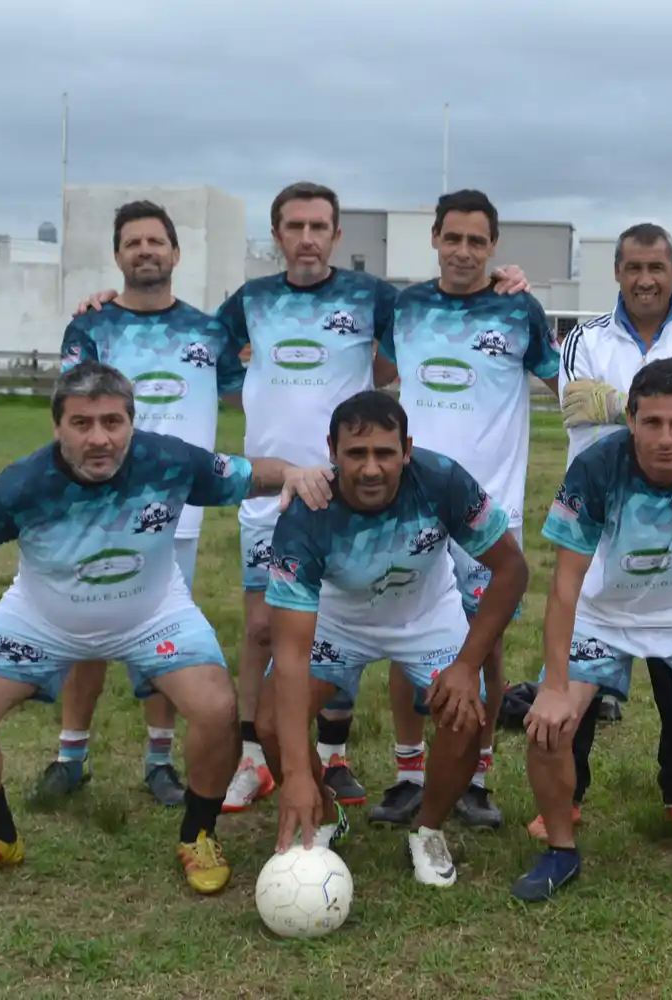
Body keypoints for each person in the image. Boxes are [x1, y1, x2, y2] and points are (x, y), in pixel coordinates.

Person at [73, 181, 531, 816]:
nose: (308, 238)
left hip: (365, 487)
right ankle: (260, 762)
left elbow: (429, 334)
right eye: (295, 226)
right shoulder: (251, 302)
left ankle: (366, 764)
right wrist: (106, 304)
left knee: (415, 617)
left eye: (320, 226)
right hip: (277, 490)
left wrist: (501, 277)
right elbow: (190, 340)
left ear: (337, 235)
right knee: (269, 627)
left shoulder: (374, 298)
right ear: (278, 235)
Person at [0, 361, 331, 894]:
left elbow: (251, 473)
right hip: (41, 620)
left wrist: (296, 473)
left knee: (217, 709)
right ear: (57, 427)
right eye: (82, 423)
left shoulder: (167, 461)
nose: (100, 438)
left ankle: (198, 835)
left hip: (152, 614)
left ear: (131, 424)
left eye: (113, 422)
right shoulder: (24, 485)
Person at [514, 360, 672, 915]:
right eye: (651, 422)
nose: (665, 438)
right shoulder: (596, 466)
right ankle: (561, 851)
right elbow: (563, 586)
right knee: (547, 726)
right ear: (630, 419)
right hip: (604, 617)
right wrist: (555, 685)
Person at [259, 391, 529, 886]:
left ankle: (427, 830)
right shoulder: (305, 514)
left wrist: (468, 664)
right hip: (338, 621)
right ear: (332, 451)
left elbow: (511, 569)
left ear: (407, 448)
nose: (370, 469)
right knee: (273, 721)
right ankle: (320, 812)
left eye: (384, 453)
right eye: (355, 454)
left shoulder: (442, 479)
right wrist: (296, 774)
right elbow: (292, 652)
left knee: (465, 714)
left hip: (426, 615)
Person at [34, 199, 245, 808]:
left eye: (157, 241)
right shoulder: (91, 328)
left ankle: (159, 762)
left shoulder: (210, 333)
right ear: (119, 255)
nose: (146, 251)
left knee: (161, 635)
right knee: (84, 630)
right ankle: (70, 756)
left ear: (176, 254)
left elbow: (247, 395)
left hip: (176, 512)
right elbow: (69, 413)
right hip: (96, 507)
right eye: (134, 242)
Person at [364, 189, 559, 832]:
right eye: (454, 238)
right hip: (409, 500)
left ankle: (476, 776)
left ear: (494, 246)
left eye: (478, 241)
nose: (465, 251)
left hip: (487, 508)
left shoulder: (518, 308)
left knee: (486, 643)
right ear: (435, 240)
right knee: (404, 633)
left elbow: (561, 379)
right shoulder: (408, 307)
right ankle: (408, 773)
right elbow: (379, 371)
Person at [545, 222, 672, 850]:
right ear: (619, 272)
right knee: (583, 669)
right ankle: (567, 801)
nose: (646, 279)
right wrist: (658, 403)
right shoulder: (584, 337)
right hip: (609, 525)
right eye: (633, 267)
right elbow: (575, 408)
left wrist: (620, 406)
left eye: (657, 267)